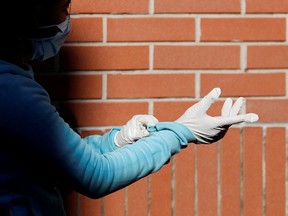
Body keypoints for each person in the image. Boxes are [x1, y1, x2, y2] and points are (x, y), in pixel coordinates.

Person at [0, 0, 259, 215]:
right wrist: (180, 133)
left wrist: (117, 140)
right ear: (35, 16)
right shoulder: (11, 90)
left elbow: (61, 157)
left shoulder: (14, 81)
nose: (66, 19)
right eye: (64, 8)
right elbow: (95, 175)